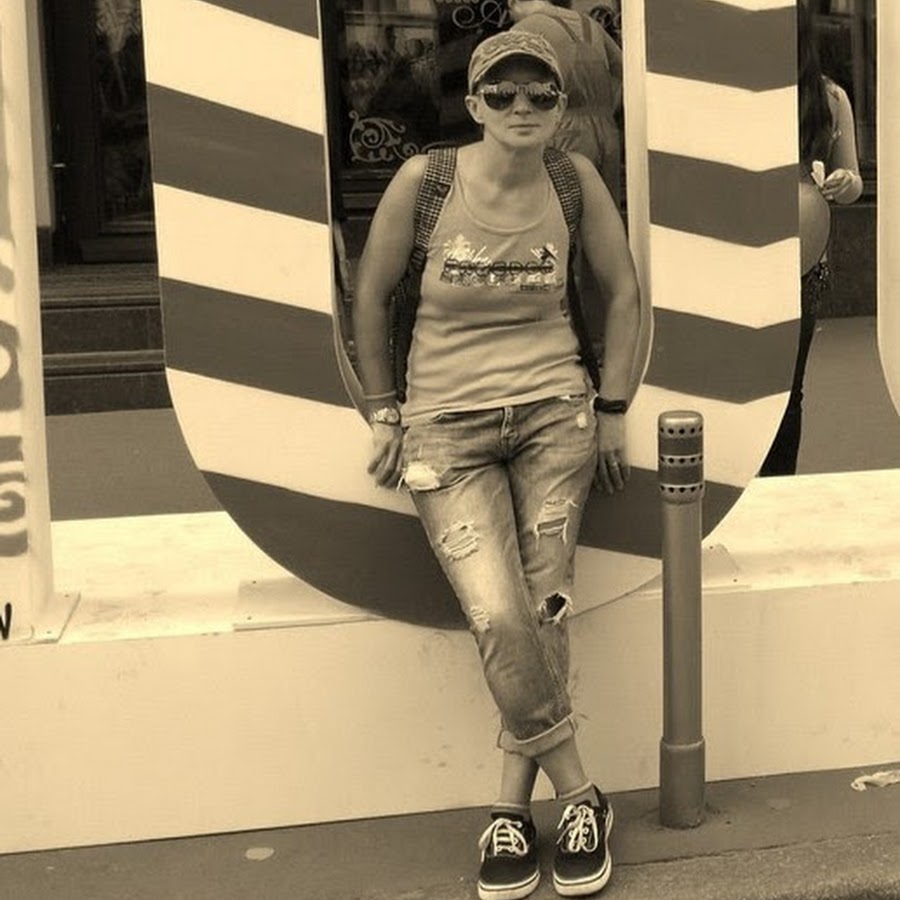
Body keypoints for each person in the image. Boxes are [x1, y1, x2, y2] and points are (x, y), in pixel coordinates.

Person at [353, 29, 640, 900]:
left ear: (560, 108)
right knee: (500, 612)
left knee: (543, 606)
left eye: (540, 94)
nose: (523, 108)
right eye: (503, 93)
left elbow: (623, 292)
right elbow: (371, 293)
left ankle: (511, 813)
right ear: (475, 104)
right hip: (444, 426)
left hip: (556, 412)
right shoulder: (427, 181)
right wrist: (382, 408)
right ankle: (579, 792)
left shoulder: (573, 180)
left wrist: (613, 409)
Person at [760, 0, 862, 476]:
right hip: (746, 248)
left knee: (788, 384)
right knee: (741, 376)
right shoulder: (742, 92)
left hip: (805, 253)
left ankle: (779, 482)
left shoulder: (830, 97)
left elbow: (854, 179)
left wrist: (845, 183)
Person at [507, 0, 623, 208]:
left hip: (564, 130)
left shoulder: (524, 29)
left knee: (562, 211)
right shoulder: (590, 24)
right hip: (607, 132)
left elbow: (508, 87)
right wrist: (609, 108)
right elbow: (625, 71)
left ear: (513, 3)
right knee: (606, 212)